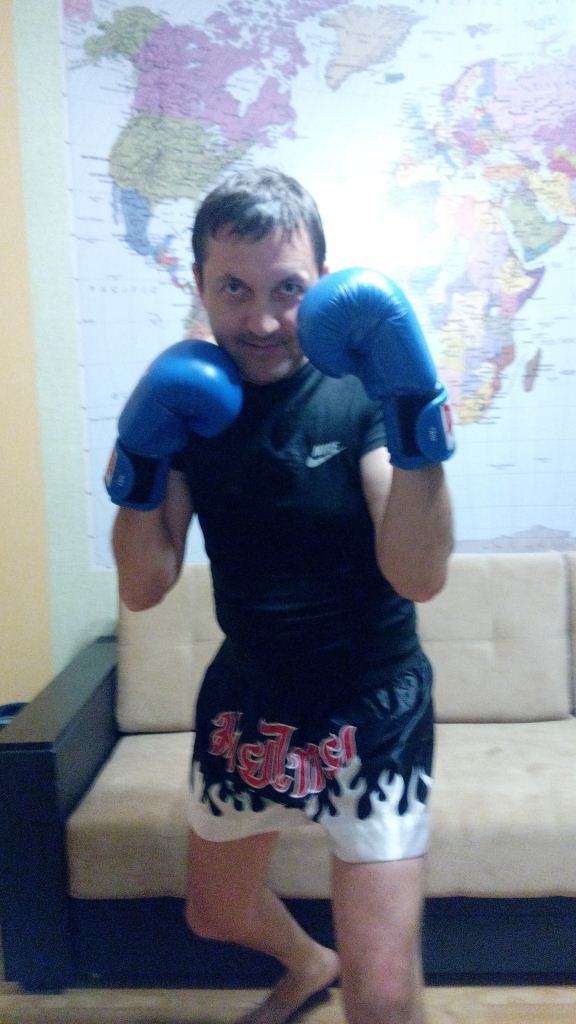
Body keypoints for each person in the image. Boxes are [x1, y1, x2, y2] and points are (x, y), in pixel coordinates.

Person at [107, 166, 455, 1024]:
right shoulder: (186, 404)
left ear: (323, 282)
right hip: (251, 698)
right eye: (235, 288)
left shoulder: (360, 390)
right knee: (215, 912)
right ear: (200, 283)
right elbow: (145, 587)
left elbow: (418, 575)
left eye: (287, 290)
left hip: (372, 701)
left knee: (383, 995)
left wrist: (418, 427)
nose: (262, 321)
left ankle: (349, 974)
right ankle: (308, 963)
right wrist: (138, 466)